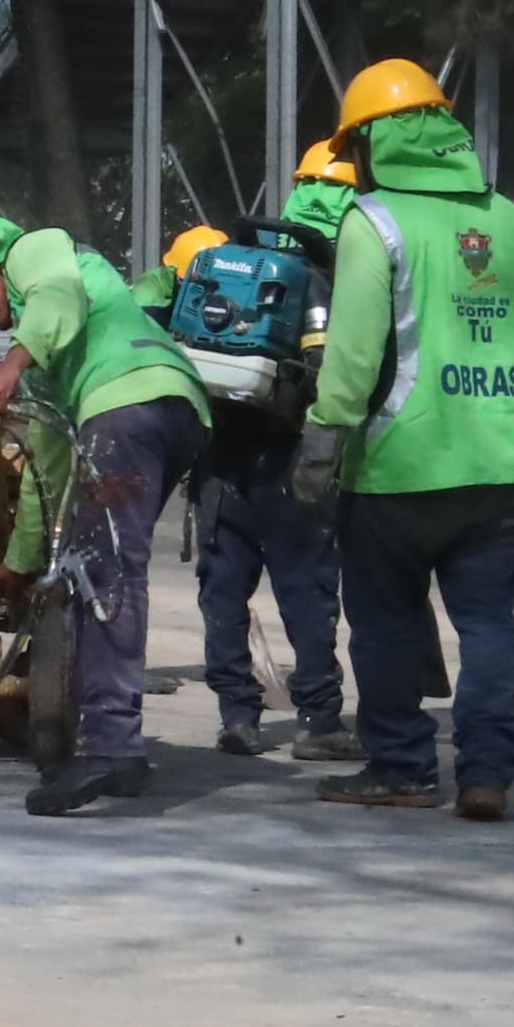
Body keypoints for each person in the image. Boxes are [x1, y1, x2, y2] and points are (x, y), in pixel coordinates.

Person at [302, 58, 514, 821]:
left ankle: (404, 765)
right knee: (486, 623)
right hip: (502, 463)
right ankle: (486, 770)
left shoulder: (372, 220)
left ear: (377, 140)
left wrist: (322, 435)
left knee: (384, 622)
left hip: (399, 465)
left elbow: (350, 354)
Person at [0, 211, 212, 815]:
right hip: (169, 410)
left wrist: (7, 369)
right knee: (87, 568)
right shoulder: (47, 361)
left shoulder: (36, 248)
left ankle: (111, 748)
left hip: (127, 404)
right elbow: (47, 465)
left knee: (106, 577)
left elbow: (59, 301)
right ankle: (105, 740)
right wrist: (20, 564)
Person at [167, 217, 351, 761]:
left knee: (223, 591)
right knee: (307, 593)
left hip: (221, 463)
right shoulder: (314, 283)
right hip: (291, 462)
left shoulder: (196, 284)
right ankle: (318, 722)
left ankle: (237, 717)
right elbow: (329, 369)